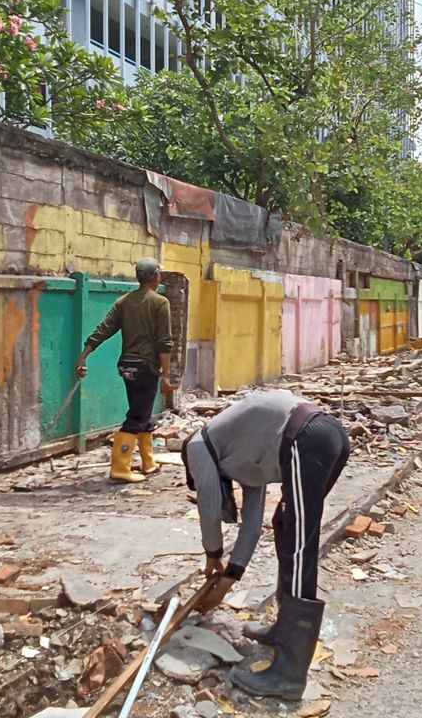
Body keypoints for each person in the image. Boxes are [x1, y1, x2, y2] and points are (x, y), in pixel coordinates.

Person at [182, 390, 350, 701]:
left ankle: (289, 673)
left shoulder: (197, 445)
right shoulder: (240, 452)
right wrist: (228, 579)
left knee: (300, 544)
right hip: (322, 438)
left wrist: (212, 557)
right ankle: (286, 630)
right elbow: (252, 522)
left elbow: (208, 504)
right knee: (286, 527)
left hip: (306, 438)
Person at [76, 257, 175, 483]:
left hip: (127, 366)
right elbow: (164, 342)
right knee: (137, 416)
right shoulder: (160, 303)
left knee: (142, 412)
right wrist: (166, 375)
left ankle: (149, 463)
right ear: (155, 277)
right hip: (146, 366)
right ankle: (120, 469)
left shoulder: (124, 301)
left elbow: (104, 328)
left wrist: (83, 355)